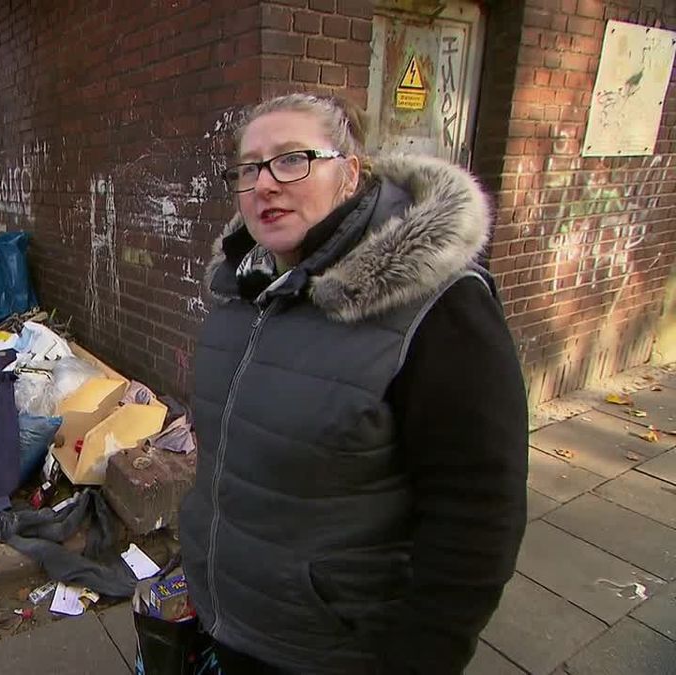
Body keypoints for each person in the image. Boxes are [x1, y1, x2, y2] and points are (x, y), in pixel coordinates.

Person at [179, 94, 527, 674]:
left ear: (350, 173)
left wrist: (422, 657)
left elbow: (477, 513)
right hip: (232, 619)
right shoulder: (240, 291)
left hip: (335, 649)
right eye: (248, 167)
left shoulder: (439, 307)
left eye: (292, 159)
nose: (263, 185)